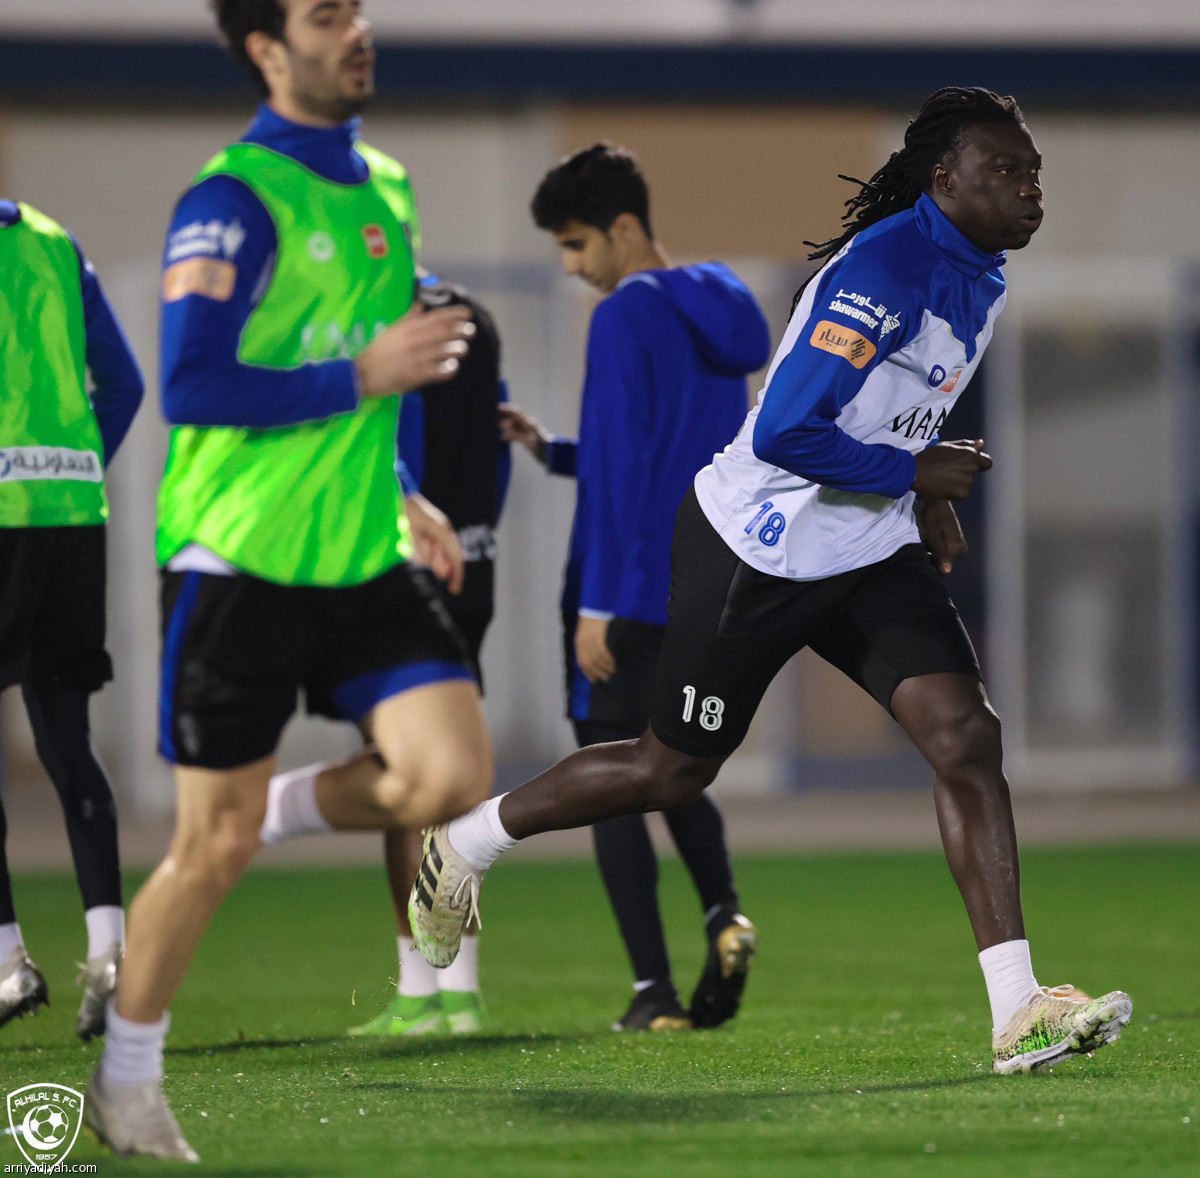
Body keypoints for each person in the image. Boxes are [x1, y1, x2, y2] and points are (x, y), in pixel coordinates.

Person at [410, 87, 1133, 1076]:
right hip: (760, 544)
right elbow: (790, 432)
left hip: (867, 542)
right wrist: (917, 476)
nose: (1029, 188)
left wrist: (924, 499)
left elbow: (894, 411)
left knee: (966, 733)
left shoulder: (982, 272)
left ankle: (1020, 1011)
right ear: (944, 180)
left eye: (1034, 170)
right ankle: (468, 840)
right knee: (673, 769)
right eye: (1006, 170)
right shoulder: (884, 271)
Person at [85, 0, 491, 1161]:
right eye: (327, 15)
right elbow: (199, 385)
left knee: (451, 774)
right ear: (268, 48)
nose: (358, 28)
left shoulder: (391, 186)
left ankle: (269, 805)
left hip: (361, 549)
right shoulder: (229, 199)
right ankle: (126, 1076)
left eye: (359, 9)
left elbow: (395, 374)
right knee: (204, 857)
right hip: (241, 556)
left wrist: (408, 493)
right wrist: (360, 372)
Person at [495, 144, 770, 1031]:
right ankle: (724, 910)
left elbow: (623, 469)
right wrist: (554, 450)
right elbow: (674, 457)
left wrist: (598, 607)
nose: (573, 269)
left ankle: (652, 991)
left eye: (577, 246)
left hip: (623, 593)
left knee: (608, 779)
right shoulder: (723, 306)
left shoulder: (620, 318)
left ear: (623, 228)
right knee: (675, 765)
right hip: (707, 585)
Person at [268, 273, 511, 1039]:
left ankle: (424, 990)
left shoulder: (378, 322)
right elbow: (497, 443)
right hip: (472, 559)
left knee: (406, 779)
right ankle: (457, 992)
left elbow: (382, 443)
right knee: (443, 784)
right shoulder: (475, 316)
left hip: (403, 567)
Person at [0, 199, 144, 1041]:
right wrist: (79, 469)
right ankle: (111, 956)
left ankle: (11, 964)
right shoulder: (56, 243)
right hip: (67, 519)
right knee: (67, 743)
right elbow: (122, 384)